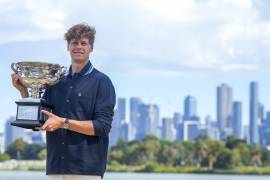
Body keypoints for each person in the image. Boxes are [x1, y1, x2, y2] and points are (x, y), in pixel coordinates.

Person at [11, 23, 116, 180]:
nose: (78, 47)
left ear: (91, 48)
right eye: (74, 42)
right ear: (68, 46)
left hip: (86, 171)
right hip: (55, 168)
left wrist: (63, 123)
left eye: (83, 43)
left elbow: (102, 126)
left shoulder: (102, 82)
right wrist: (24, 90)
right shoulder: (55, 81)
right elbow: (40, 119)